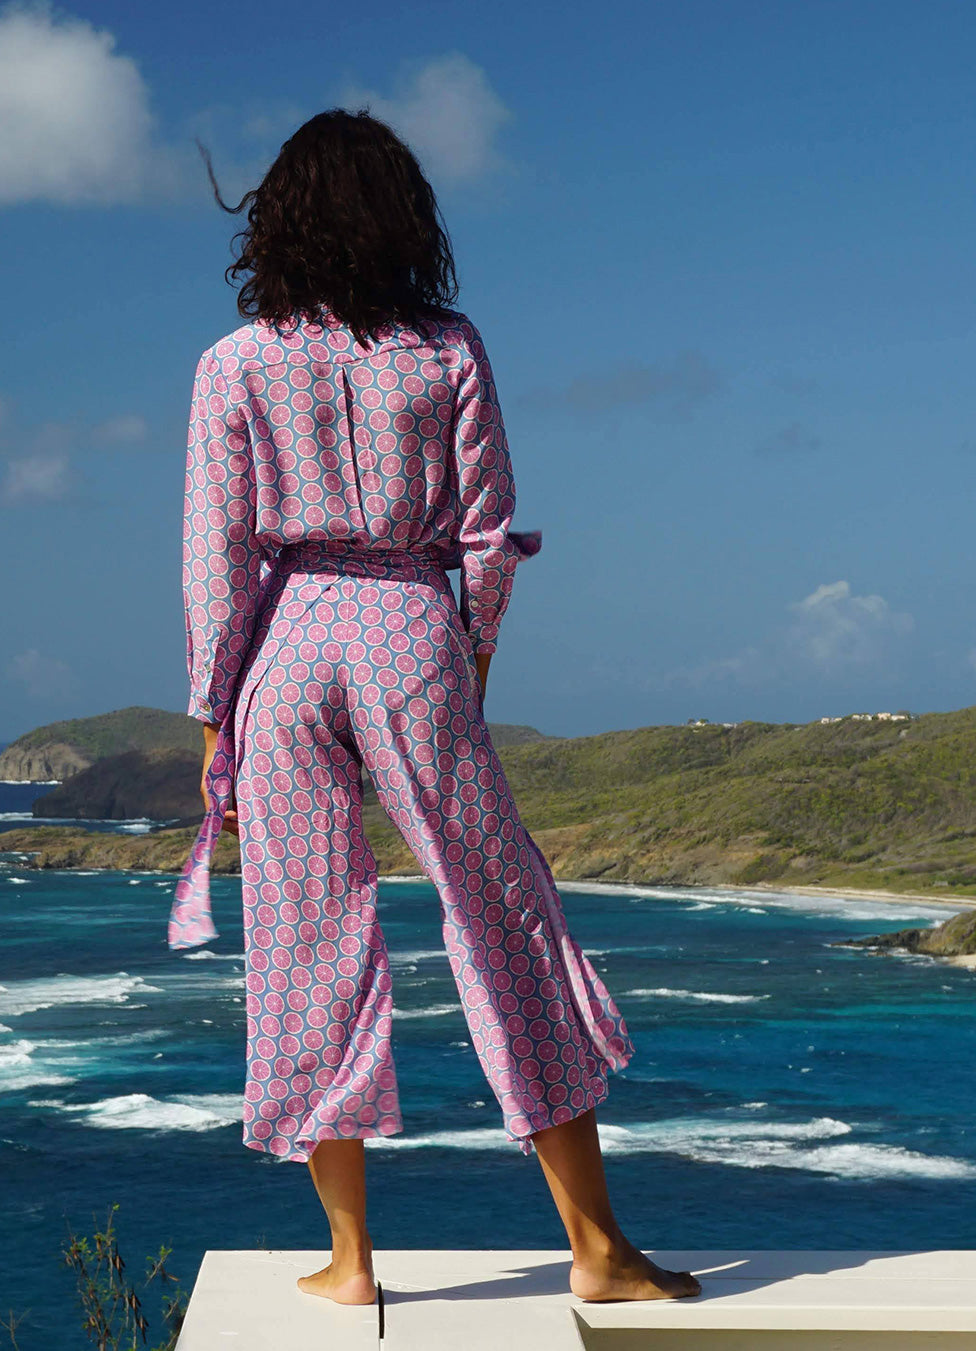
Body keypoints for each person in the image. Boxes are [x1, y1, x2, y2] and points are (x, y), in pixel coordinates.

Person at [168, 109, 701, 1307]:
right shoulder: (447, 348)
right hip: (412, 624)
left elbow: (218, 557)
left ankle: (351, 1264)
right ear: (403, 219)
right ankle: (600, 1248)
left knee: (306, 938)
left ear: (279, 221)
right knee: (500, 912)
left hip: (288, 641)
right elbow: (486, 535)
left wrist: (217, 713)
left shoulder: (232, 364)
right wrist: (468, 659)